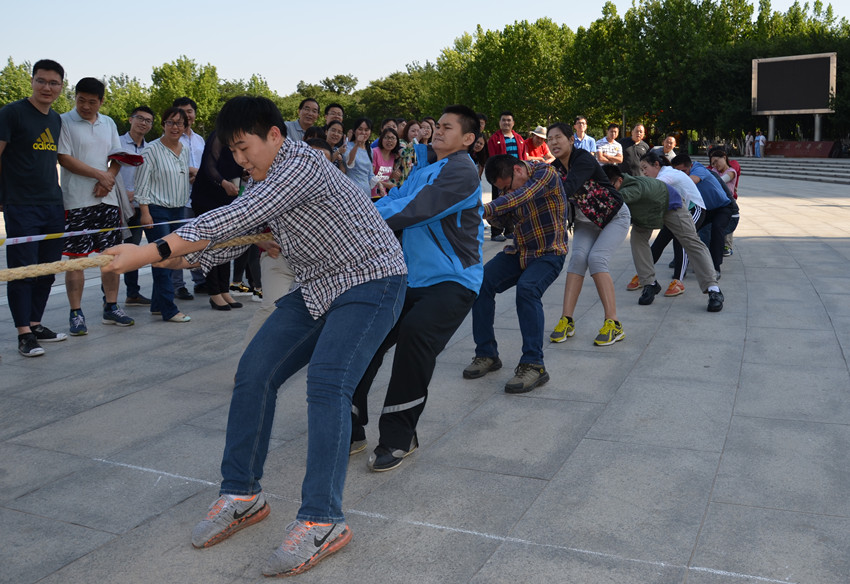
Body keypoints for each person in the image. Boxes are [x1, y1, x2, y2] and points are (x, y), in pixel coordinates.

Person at [102, 95, 407, 577]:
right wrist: (165, 255)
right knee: (254, 372)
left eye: (245, 148)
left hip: (372, 280)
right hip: (319, 285)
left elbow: (232, 218)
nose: (241, 160)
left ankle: (323, 520)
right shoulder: (266, 178)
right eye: (234, 153)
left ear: (274, 136)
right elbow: (230, 238)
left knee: (327, 386)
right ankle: (242, 493)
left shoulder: (299, 165)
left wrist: (147, 252)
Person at [351, 104, 483, 471]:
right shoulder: (427, 167)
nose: (438, 131)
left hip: (453, 281)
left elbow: (415, 207)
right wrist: (357, 212)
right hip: (410, 278)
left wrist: (353, 220)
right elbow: (394, 199)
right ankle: (350, 425)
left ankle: (399, 435)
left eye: (447, 128)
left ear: (468, 139)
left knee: (415, 335)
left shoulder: (462, 171)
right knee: (368, 336)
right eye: (437, 126)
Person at [464, 153, 567, 394]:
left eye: (507, 187)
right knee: (480, 283)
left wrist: (483, 210)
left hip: (549, 253)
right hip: (519, 252)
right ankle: (486, 354)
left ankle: (534, 364)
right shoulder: (511, 187)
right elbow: (503, 220)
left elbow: (522, 195)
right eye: (501, 190)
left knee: (528, 289)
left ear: (519, 170)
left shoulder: (545, 173)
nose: (506, 193)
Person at [0, 58, 69, 357]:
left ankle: (36, 322)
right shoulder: (12, 113)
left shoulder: (55, 119)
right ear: (32, 81)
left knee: (48, 270)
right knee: (22, 271)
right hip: (21, 205)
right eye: (41, 80)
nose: (47, 87)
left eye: (53, 83)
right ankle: (23, 334)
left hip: (53, 204)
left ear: (61, 87)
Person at [57, 76, 135, 335]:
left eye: (92, 102)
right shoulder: (64, 121)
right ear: (74, 97)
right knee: (76, 259)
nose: (86, 106)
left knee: (110, 256)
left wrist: (108, 178)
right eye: (81, 100)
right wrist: (99, 175)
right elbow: (65, 158)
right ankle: (76, 313)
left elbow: (117, 156)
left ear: (101, 101)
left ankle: (111, 307)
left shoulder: (109, 122)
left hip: (108, 199)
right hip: (77, 200)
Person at [546, 123, 630, 346]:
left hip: (614, 216)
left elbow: (567, 188)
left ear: (571, 139)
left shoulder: (582, 159)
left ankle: (614, 324)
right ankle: (567, 319)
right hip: (586, 222)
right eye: (550, 139)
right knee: (578, 259)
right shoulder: (555, 167)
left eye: (558, 137)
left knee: (596, 258)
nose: (553, 142)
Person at [602, 164, 724, 312]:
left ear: (619, 181)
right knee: (637, 240)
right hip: (646, 213)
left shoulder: (634, 187)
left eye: (610, 187)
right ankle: (650, 284)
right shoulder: (620, 186)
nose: (608, 192)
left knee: (691, 241)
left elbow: (619, 200)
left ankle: (713, 289)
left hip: (670, 206)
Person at [134, 107, 193, 323]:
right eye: (170, 122)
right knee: (163, 258)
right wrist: (145, 212)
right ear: (163, 125)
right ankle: (169, 309)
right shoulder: (150, 150)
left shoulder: (184, 149)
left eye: (180, 123)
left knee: (174, 257)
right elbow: (142, 184)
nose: (175, 127)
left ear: (186, 127)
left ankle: (157, 305)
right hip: (157, 211)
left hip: (179, 210)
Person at [629, 151, 705, 304]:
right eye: (641, 170)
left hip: (694, 208)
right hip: (674, 211)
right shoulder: (661, 174)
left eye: (645, 168)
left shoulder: (668, 174)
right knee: (659, 242)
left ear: (656, 165)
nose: (644, 172)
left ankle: (678, 280)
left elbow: (653, 187)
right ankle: (645, 276)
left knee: (683, 240)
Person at [190, 130, 246, 311]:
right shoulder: (219, 135)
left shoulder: (242, 138)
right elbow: (209, 166)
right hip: (207, 196)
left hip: (227, 196)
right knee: (210, 245)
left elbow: (237, 165)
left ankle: (224, 289)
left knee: (225, 244)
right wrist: (223, 182)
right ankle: (214, 293)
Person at [671, 154, 736, 278]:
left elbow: (691, 181)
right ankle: (681, 265)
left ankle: (715, 268)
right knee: (684, 231)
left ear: (690, 166)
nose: (682, 174)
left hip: (723, 208)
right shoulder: (683, 175)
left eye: (684, 171)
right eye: (678, 172)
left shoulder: (699, 169)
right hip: (705, 210)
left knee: (717, 228)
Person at [118, 106, 155, 307]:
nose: (143, 123)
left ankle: (132, 293)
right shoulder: (117, 143)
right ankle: (110, 298)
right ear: (130, 119)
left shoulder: (150, 149)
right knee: (115, 249)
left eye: (148, 121)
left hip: (141, 206)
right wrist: (122, 194)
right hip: (119, 206)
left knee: (134, 250)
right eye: (140, 118)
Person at [172, 96, 206, 299]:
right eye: (181, 111)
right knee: (177, 243)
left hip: (199, 197)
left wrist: (199, 174)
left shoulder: (199, 139)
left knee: (199, 241)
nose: (187, 115)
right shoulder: (171, 138)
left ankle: (200, 281)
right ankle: (177, 285)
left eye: (190, 111)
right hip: (178, 198)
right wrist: (192, 171)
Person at [486, 111, 526, 241]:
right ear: (500, 122)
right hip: (500, 176)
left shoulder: (519, 139)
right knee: (498, 201)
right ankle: (496, 232)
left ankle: (510, 230)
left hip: (516, 177)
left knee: (513, 202)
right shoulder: (494, 139)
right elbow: (492, 158)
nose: (506, 122)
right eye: (504, 120)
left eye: (509, 120)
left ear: (513, 123)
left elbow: (524, 158)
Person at [345, 117, 376, 196]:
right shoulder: (347, 146)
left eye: (366, 130)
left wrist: (379, 185)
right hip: (351, 192)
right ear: (354, 131)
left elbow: (370, 174)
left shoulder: (370, 150)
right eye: (360, 129)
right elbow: (349, 164)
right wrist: (357, 144)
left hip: (366, 193)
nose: (363, 132)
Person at [371, 127, 401, 198]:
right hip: (370, 195)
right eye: (386, 137)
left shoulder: (393, 156)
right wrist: (388, 185)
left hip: (383, 195)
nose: (389, 140)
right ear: (381, 139)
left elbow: (384, 176)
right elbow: (370, 177)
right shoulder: (375, 152)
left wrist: (393, 175)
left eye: (393, 138)